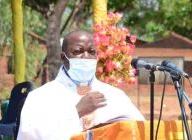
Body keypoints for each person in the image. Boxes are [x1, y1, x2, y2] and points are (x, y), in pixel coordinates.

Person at [17, 30, 145, 140]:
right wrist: (76, 112)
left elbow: (141, 130)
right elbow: (30, 136)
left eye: (91, 52)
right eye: (78, 51)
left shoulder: (114, 95)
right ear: (63, 57)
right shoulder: (40, 97)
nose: (86, 57)